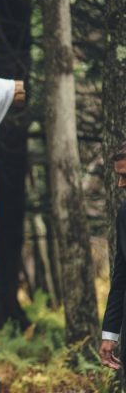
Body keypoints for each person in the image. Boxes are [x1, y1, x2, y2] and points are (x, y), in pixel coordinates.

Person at [99, 141, 126, 375]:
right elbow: (121, 276)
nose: (120, 184)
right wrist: (110, 334)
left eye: (125, 175)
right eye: (118, 176)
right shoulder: (124, 213)